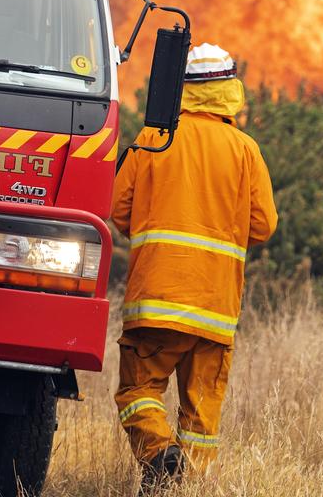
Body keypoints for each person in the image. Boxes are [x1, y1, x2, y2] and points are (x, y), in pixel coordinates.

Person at [112, 43, 277, 494]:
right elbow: (263, 225)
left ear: (180, 89)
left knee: (138, 393)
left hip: (157, 302)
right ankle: (186, 488)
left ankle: (159, 455)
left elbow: (118, 209)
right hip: (216, 311)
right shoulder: (246, 150)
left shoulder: (153, 138)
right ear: (230, 89)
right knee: (202, 417)